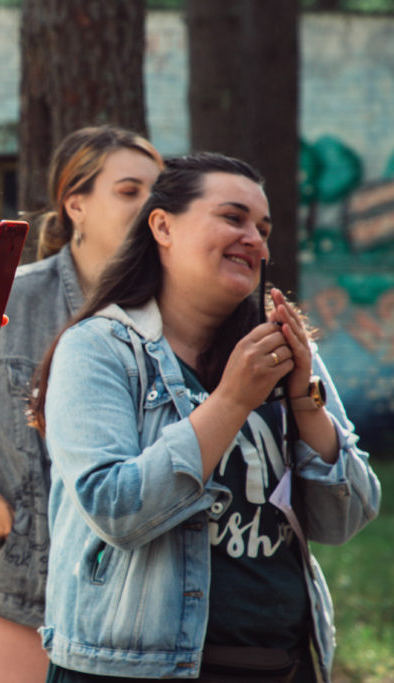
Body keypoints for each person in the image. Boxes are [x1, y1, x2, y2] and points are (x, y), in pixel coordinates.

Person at [32, 153, 381, 681]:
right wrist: (232, 401)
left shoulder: (280, 347)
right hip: (135, 669)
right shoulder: (99, 349)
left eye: (263, 229)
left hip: (281, 665)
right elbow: (116, 507)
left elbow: (345, 519)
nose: (256, 242)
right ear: (163, 226)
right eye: (233, 218)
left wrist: (305, 400)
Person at [0, 126, 162, 683]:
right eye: (129, 190)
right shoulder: (8, 301)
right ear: (76, 205)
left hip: (131, 615)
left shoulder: (176, 316)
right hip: (15, 597)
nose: (149, 206)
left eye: (157, 193)